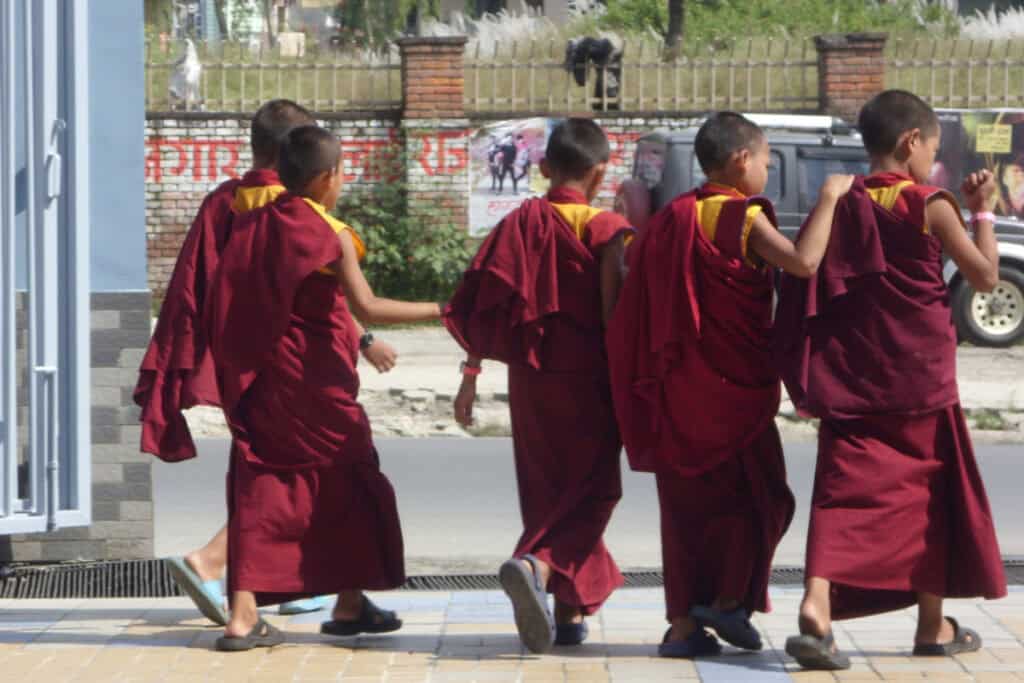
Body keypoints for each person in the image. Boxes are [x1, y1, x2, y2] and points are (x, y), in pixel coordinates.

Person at [136, 100, 397, 625]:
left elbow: (198, 288)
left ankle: (339, 596)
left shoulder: (225, 202)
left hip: (247, 369)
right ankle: (223, 569)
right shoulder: (295, 214)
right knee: (316, 475)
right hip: (302, 370)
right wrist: (367, 335)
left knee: (300, 475)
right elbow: (314, 296)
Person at [607, 112, 854, 659]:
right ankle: (725, 600)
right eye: (766, 162)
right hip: (732, 392)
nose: (767, 172)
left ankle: (683, 626)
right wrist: (830, 199)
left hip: (678, 389)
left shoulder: (673, 218)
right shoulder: (742, 216)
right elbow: (803, 262)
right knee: (763, 498)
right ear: (742, 161)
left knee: (685, 512)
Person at [775, 90, 1007, 671]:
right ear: (911, 142)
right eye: (932, 149)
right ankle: (930, 625)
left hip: (852, 376)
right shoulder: (930, 204)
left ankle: (818, 603)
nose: (933, 160)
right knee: (931, 496)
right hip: (919, 376)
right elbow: (984, 278)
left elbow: (807, 272)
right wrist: (981, 210)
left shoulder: (840, 199)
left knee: (840, 493)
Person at [201, 124, 441, 651]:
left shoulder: (253, 224)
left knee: (265, 487)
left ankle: (333, 604)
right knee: (352, 478)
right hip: (316, 385)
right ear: (328, 177)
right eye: (342, 172)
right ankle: (264, 613)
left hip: (265, 380)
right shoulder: (329, 235)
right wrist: (444, 309)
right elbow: (368, 306)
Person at [445, 118, 633, 654]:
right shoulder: (606, 229)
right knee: (595, 490)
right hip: (588, 378)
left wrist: (470, 378)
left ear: (546, 168)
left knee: (548, 489)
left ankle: (568, 613)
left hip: (529, 378)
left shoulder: (519, 223)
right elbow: (612, 317)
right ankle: (537, 566)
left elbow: (486, 307)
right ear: (600, 171)